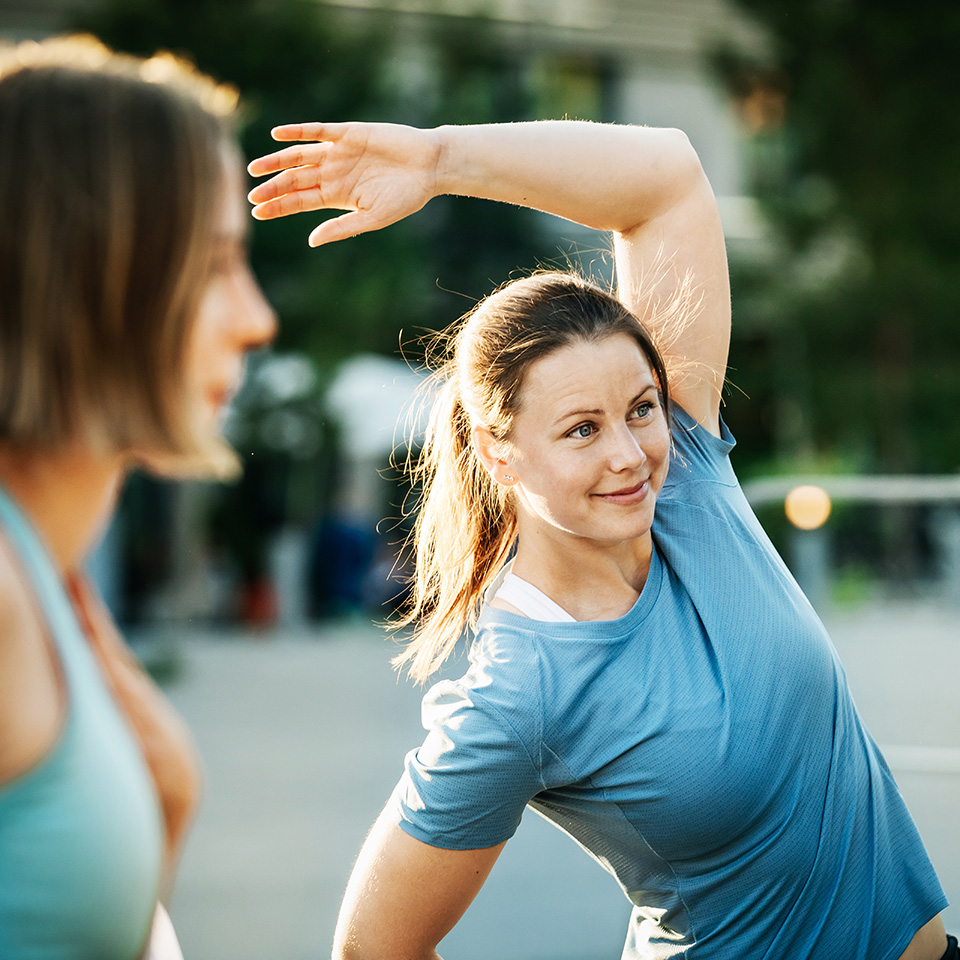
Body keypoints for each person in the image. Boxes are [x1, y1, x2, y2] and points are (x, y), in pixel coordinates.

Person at [247, 120, 954, 959]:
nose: (628, 455)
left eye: (641, 408)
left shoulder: (686, 475)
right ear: (497, 453)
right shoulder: (518, 693)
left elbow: (667, 178)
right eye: (580, 429)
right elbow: (372, 946)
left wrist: (442, 160)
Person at [0, 36, 276, 959]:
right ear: (93, 275)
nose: (256, 318)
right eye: (215, 264)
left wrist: (163, 807)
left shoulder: (40, 578)